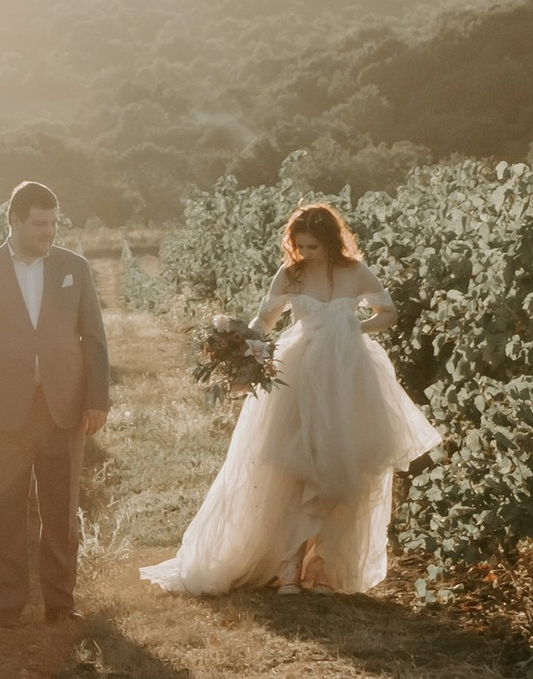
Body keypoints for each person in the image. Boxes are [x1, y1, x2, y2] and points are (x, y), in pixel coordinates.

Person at [142, 199, 438, 598]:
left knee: (343, 470)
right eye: (299, 245)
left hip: (348, 374)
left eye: (313, 246)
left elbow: (389, 312)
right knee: (294, 469)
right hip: (299, 372)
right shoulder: (291, 273)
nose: (305, 253)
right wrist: (241, 345)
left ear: (331, 242)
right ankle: (288, 566)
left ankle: (324, 567)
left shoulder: (354, 272)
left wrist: (353, 329)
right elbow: (264, 322)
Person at [0, 180, 112, 624]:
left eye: (54, 223)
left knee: (61, 513)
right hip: (4, 412)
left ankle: (60, 605)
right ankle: (8, 605)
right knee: (6, 511)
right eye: (40, 223)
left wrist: (96, 399)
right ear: (15, 220)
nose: (49, 232)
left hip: (62, 407)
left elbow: (94, 340)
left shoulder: (74, 268)